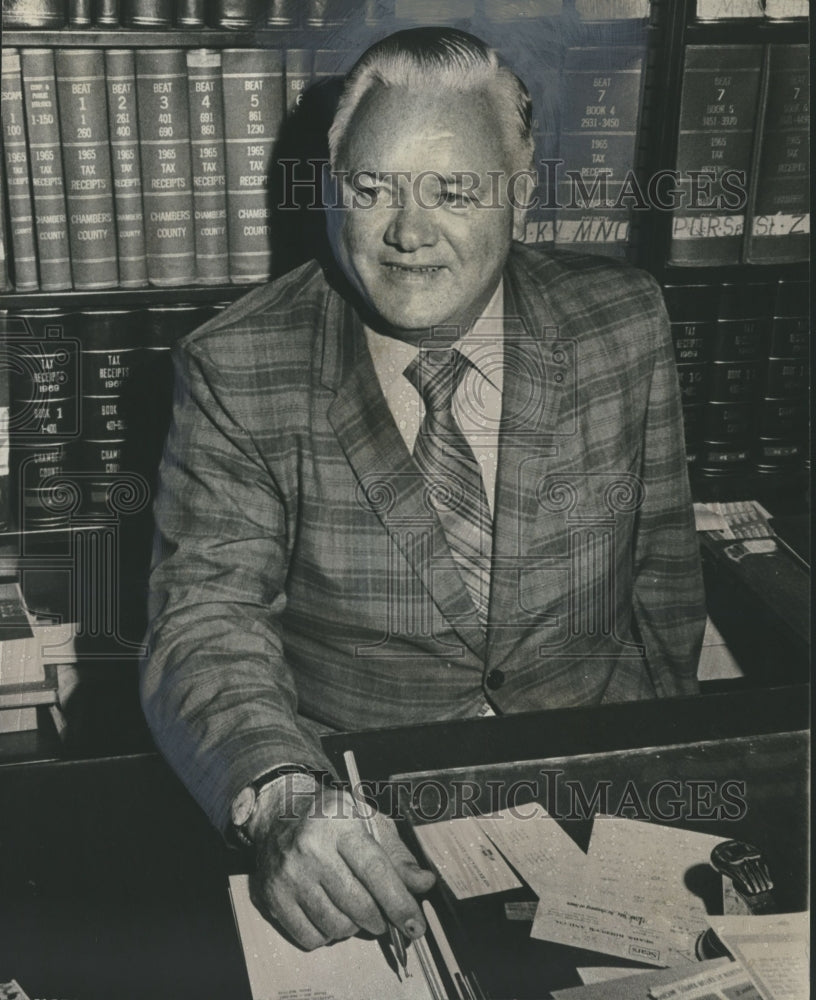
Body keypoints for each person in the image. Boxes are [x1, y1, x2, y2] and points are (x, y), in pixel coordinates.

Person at [140, 27, 705, 953]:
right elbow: (205, 618)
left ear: (519, 192)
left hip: (598, 795)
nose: (408, 232)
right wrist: (284, 797)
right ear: (333, 190)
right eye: (373, 189)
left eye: (454, 191)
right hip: (356, 821)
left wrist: (666, 780)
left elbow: (665, 579)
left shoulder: (624, 321)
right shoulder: (237, 364)